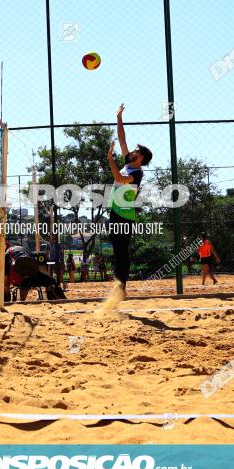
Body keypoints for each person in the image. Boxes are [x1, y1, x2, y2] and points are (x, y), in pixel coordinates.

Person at [100, 103, 153, 313]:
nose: (131, 151)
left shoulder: (137, 173)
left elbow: (119, 178)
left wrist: (110, 159)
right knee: (118, 252)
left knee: (121, 254)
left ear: (141, 158)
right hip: (116, 213)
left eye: (136, 151)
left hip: (124, 216)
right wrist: (119, 117)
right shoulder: (129, 162)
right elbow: (122, 137)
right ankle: (119, 288)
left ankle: (121, 288)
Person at [0, 242, 65, 302]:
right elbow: (32, 262)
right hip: (32, 273)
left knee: (24, 281)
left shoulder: (7, 255)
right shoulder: (20, 249)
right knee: (51, 281)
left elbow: (5, 282)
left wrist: (7, 293)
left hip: (23, 277)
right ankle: (57, 298)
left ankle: (22, 301)